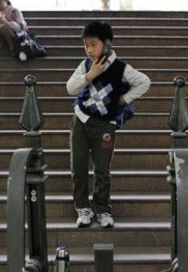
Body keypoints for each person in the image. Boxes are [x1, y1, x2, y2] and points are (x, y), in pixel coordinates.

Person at [66, 21, 150, 228]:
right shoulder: (85, 65)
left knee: (102, 168)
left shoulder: (121, 68)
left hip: (105, 125)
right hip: (82, 120)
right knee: (78, 166)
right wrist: (89, 76)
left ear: (107, 44)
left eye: (93, 44)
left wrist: (124, 99)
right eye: (86, 45)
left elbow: (144, 82)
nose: (89, 49)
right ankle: (83, 208)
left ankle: (102, 209)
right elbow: (70, 88)